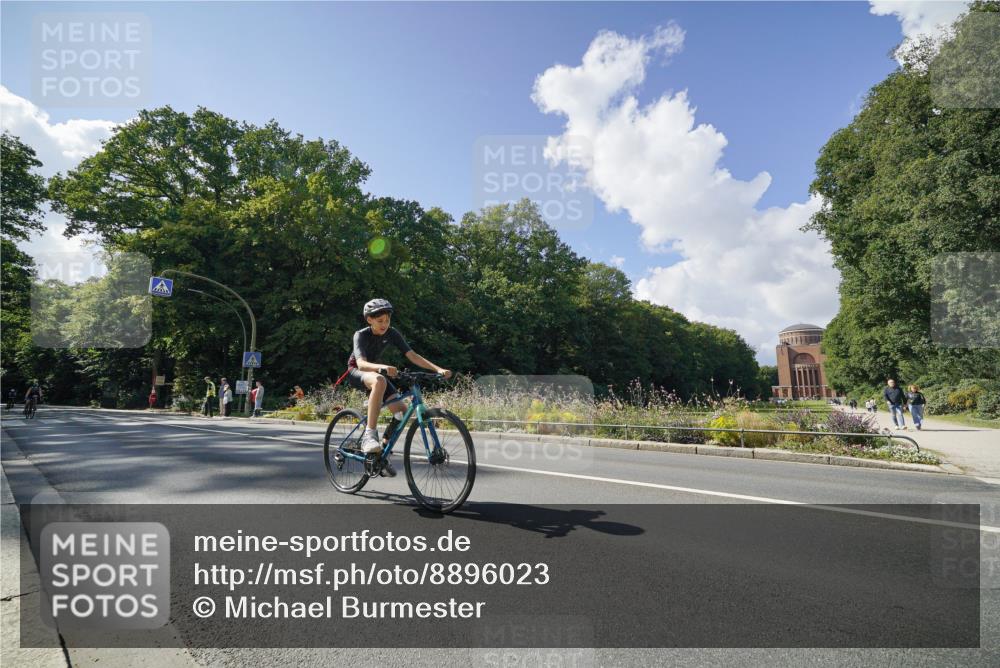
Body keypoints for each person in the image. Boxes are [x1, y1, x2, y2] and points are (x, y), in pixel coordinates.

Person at [346, 298, 451, 476]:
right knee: (380, 380)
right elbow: (362, 363)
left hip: (377, 373)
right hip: (357, 372)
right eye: (380, 321)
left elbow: (412, 355)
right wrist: (383, 367)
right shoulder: (360, 335)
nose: (384, 324)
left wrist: (438, 369)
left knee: (401, 411)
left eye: (387, 320)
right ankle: (369, 436)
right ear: (369, 320)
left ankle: (382, 452)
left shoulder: (392, 333)